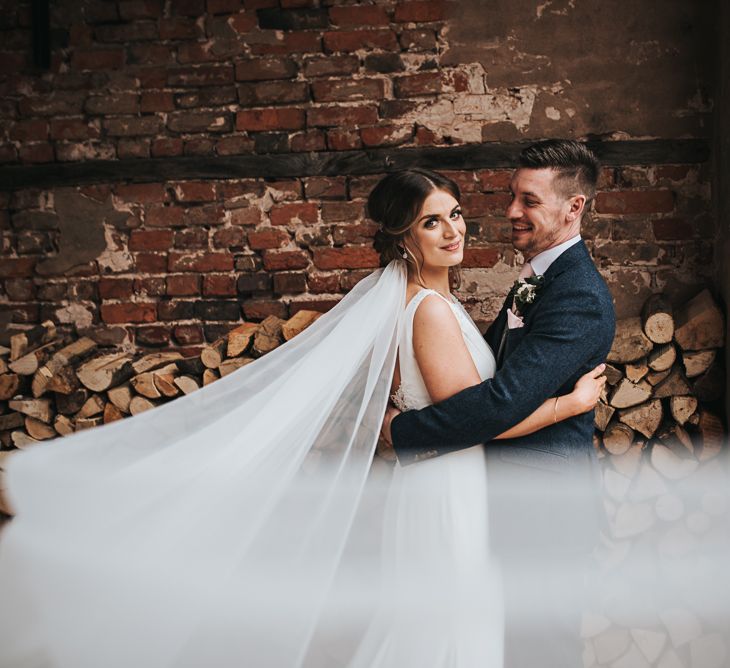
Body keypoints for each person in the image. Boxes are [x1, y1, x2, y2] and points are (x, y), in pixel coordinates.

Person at [0, 161, 605, 668]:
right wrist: (568, 404)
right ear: (404, 238)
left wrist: (403, 425)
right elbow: (483, 415)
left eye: (454, 214)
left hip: (448, 484)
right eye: (431, 221)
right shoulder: (429, 312)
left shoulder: (423, 301)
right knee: (446, 625)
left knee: (444, 618)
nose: (452, 230)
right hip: (449, 486)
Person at [380, 141, 617, 668]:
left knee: (541, 652)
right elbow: (482, 378)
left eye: (528, 201)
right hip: (494, 502)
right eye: (513, 197)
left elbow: (499, 402)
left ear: (572, 207)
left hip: (543, 511)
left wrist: (405, 434)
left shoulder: (577, 295)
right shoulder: (534, 282)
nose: (511, 211)